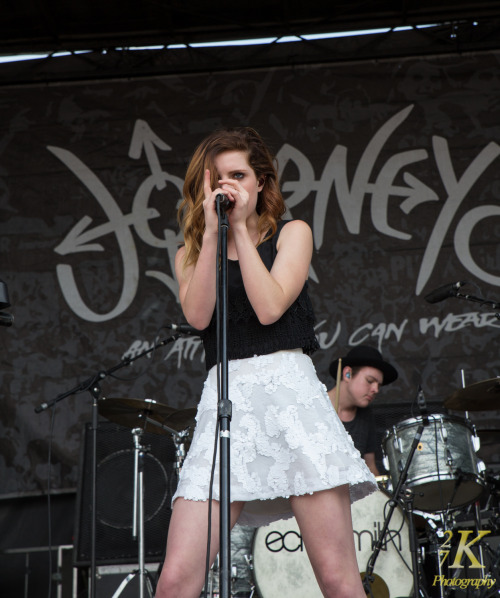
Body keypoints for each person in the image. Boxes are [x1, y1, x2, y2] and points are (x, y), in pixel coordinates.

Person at [155, 127, 377, 598]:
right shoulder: (189, 255)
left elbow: (270, 307)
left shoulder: (292, 234)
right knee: (175, 580)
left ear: (260, 184)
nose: (225, 187)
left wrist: (239, 229)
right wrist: (217, 236)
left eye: (237, 175)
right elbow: (198, 317)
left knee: (338, 581)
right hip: (226, 402)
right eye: (214, 179)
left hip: (288, 396)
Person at [327, 345, 398, 477]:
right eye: (370, 381)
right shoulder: (315, 406)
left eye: (379, 385)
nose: (375, 389)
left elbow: (370, 467)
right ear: (347, 374)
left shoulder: (366, 415)